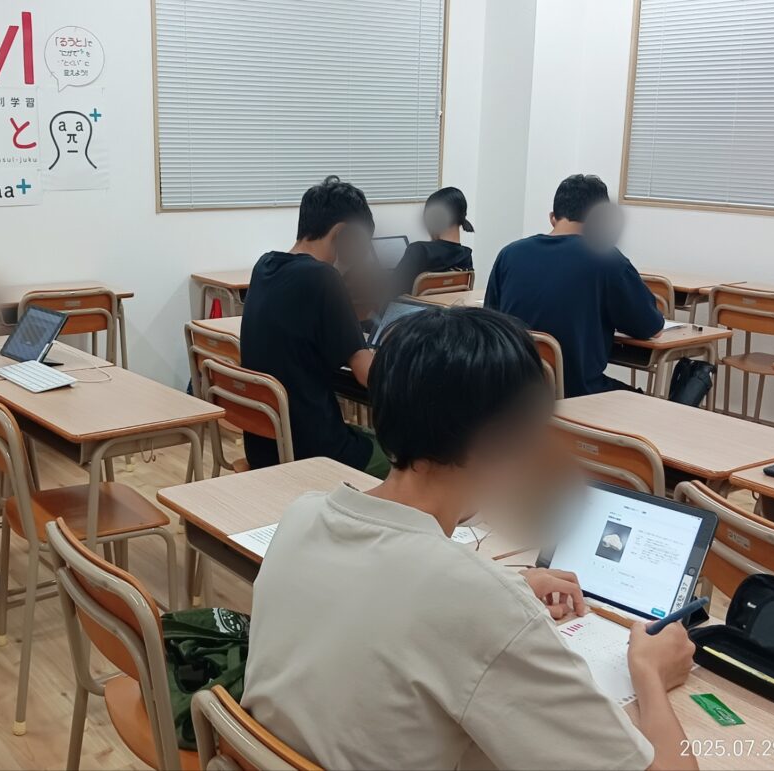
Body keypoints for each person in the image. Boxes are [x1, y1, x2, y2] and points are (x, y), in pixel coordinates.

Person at [243, 307, 696, 771]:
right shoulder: (476, 603)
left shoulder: (302, 515)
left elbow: (391, 590)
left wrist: (504, 589)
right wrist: (650, 673)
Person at [240, 175, 389, 479]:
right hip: (315, 453)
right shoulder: (322, 278)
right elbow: (367, 374)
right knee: (411, 461)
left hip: (265, 446)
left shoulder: (265, 266)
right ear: (343, 233)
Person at [485, 174, 663, 397]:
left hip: (510, 393)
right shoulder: (607, 259)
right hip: (577, 396)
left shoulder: (510, 254)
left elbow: (489, 322)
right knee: (649, 403)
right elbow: (652, 328)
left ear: (552, 217)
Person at [394, 186, 474, 296]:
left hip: (415, 307)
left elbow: (392, 290)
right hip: (450, 307)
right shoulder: (466, 256)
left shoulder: (419, 250)